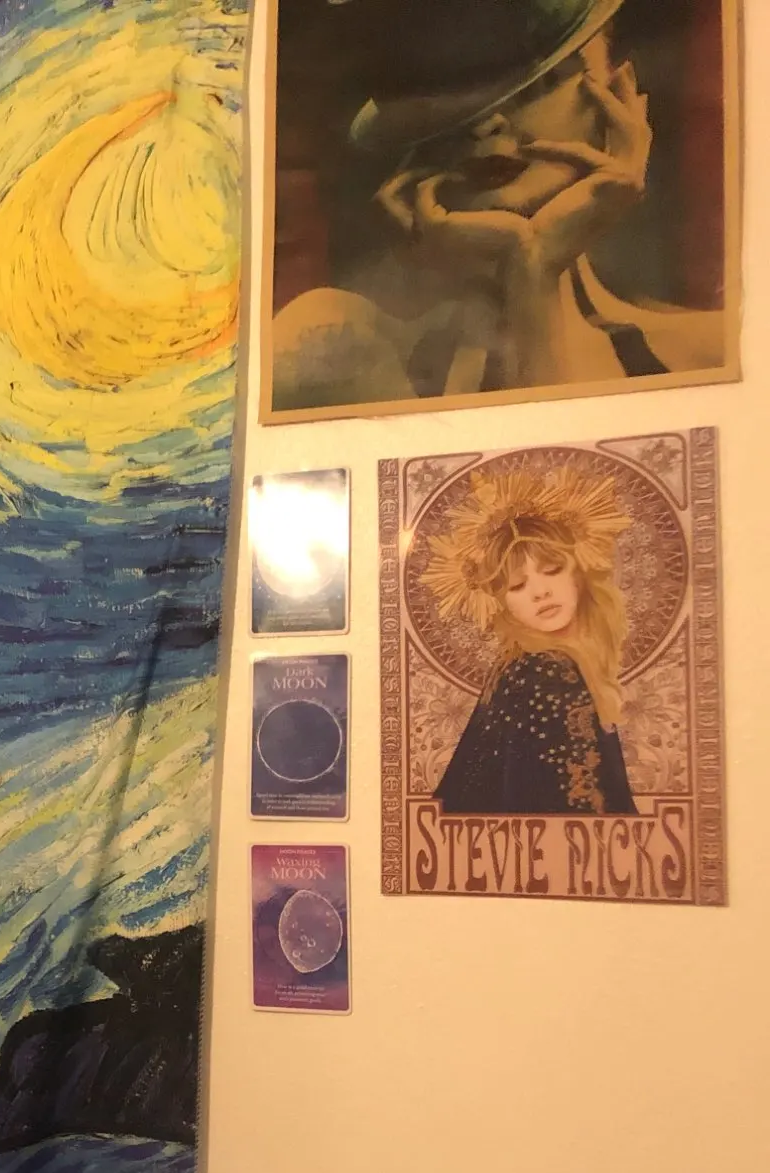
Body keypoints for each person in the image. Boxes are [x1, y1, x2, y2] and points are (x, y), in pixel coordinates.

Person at [272, 0, 727, 410]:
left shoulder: (710, 353)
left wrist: (535, 269)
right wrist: (529, 275)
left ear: (618, 95)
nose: (487, 123)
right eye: (451, 99)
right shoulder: (331, 340)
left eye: (536, 85)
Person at [423, 462, 637, 815]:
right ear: (503, 603)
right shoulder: (545, 672)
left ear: (579, 574)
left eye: (552, 570)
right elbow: (572, 810)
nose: (540, 592)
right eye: (518, 585)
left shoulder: (523, 664)